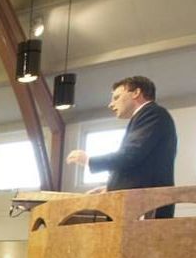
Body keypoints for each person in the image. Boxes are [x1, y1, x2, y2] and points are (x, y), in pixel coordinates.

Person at [66, 76, 177, 218]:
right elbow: (141, 165)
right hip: (143, 201)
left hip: (148, 204)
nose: (111, 105)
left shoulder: (152, 113)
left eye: (116, 97)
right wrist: (111, 188)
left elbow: (131, 155)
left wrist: (89, 160)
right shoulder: (145, 117)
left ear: (136, 93)